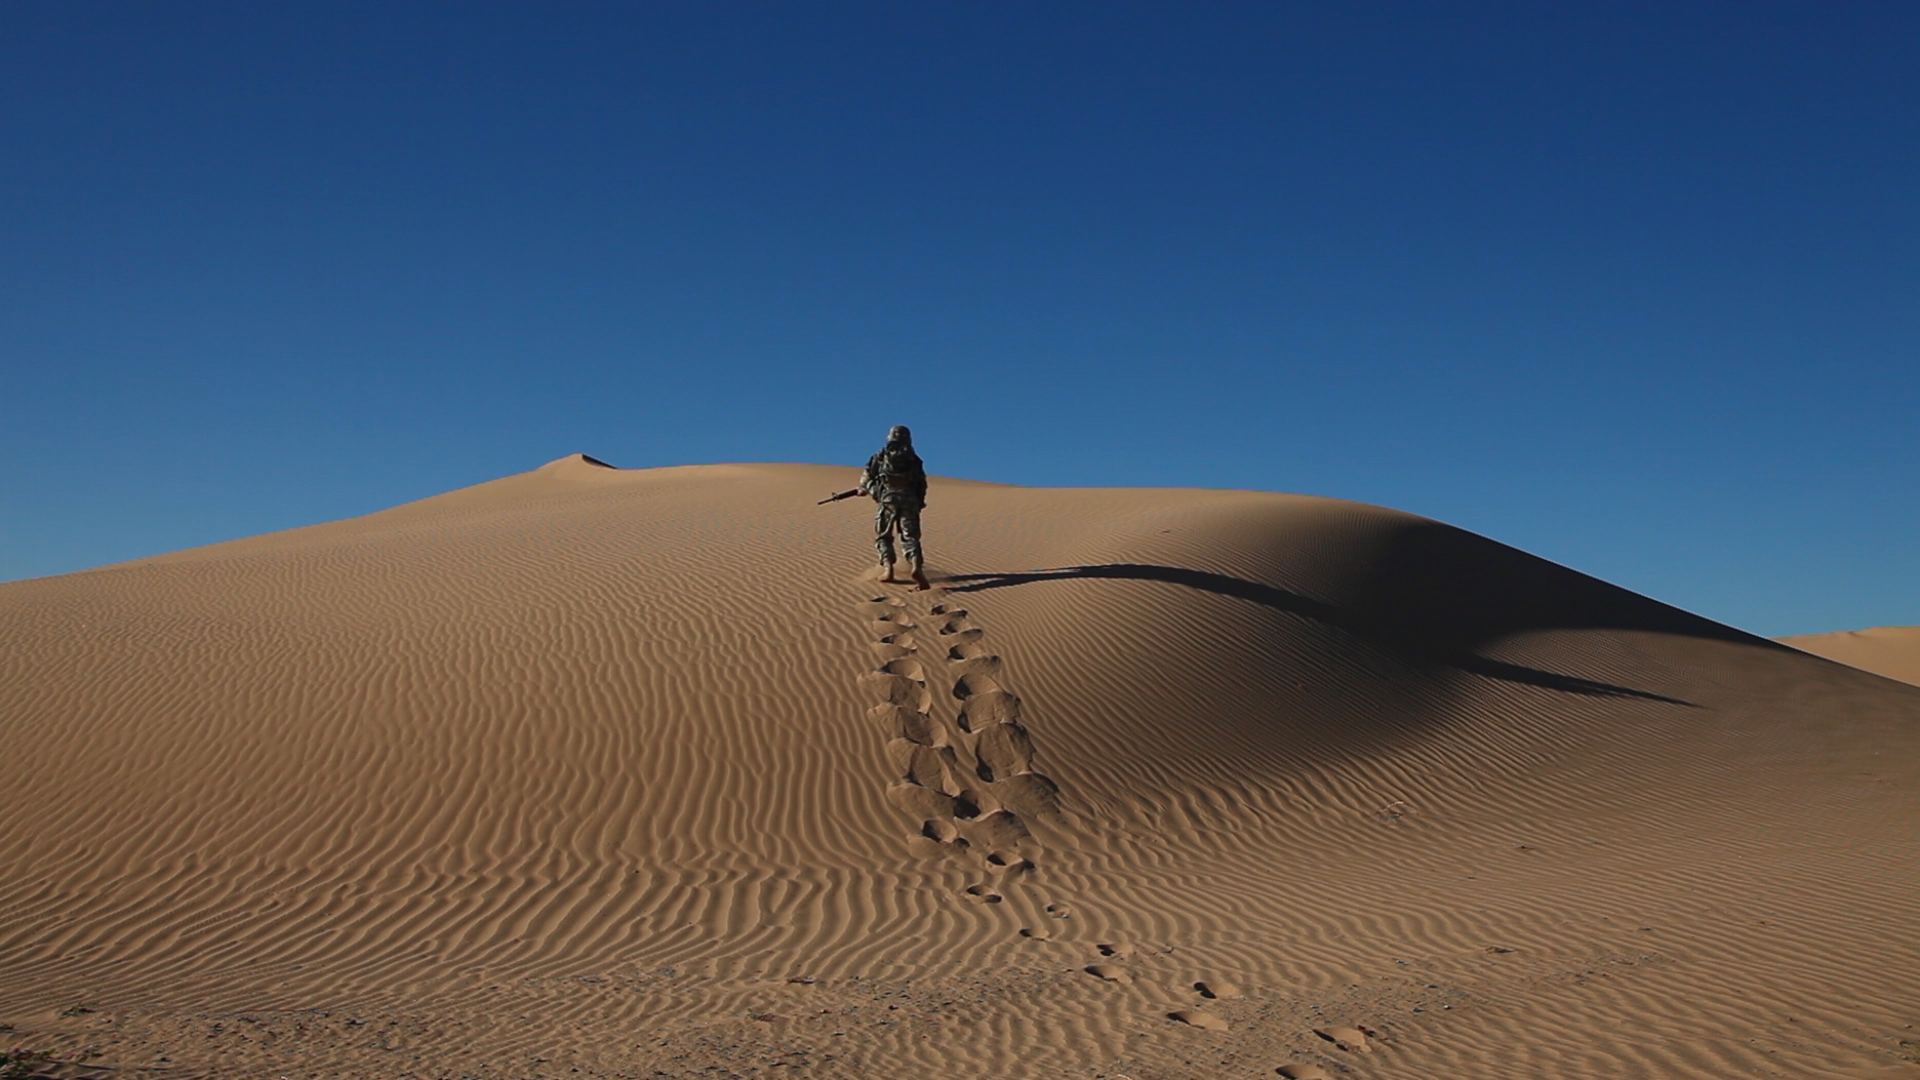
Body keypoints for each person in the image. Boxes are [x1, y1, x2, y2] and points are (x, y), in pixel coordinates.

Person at [861, 425, 930, 589]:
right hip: (910, 500)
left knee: (883, 535)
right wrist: (919, 502)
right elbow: (922, 484)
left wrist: (868, 490)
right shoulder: (914, 459)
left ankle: (888, 569)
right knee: (910, 536)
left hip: (888, 499)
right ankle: (916, 566)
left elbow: (866, 477)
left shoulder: (880, 456)